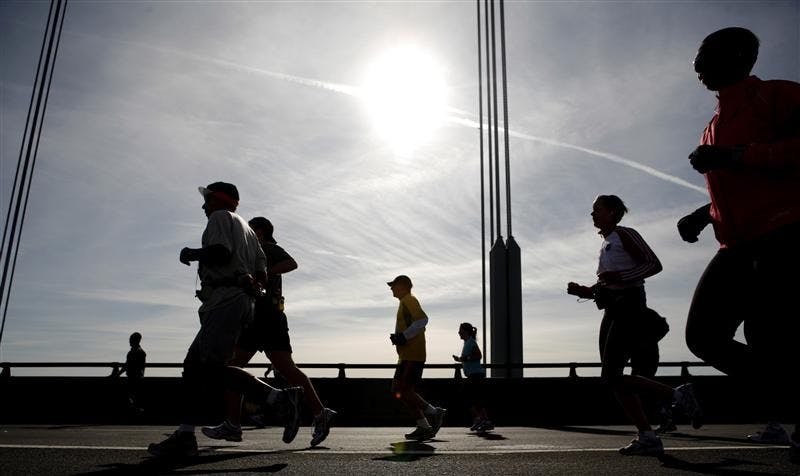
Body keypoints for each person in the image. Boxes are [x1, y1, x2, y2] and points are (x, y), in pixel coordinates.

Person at [678, 27, 800, 462]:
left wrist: (735, 156)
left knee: (768, 336)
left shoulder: (779, 96)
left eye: (705, 53)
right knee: (703, 337)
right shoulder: (713, 125)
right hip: (735, 244)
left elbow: (764, 161)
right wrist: (703, 213)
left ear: (739, 56)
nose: (696, 65)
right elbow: (737, 188)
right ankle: (789, 399)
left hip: (785, 235)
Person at [148, 182, 303, 458]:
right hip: (239, 302)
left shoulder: (220, 218)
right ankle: (185, 434)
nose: (203, 206)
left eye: (206, 200)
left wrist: (192, 253)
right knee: (195, 366)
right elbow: (263, 275)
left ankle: (279, 399)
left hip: (225, 301)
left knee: (208, 368)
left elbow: (220, 252)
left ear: (218, 200)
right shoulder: (248, 231)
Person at [567, 195, 701, 456]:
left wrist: (619, 277)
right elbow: (609, 282)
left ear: (614, 212)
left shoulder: (625, 234)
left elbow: (653, 264)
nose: (592, 214)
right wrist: (587, 291)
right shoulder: (606, 243)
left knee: (612, 375)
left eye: (597, 210)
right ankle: (648, 433)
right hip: (613, 308)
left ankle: (676, 396)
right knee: (612, 378)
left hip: (629, 306)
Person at [202, 217, 337, 447]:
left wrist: (266, 272)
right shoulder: (251, 250)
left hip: (269, 316)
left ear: (260, 231)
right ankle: (233, 424)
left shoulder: (267, 247)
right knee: (234, 368)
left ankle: (318, 412)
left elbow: (291, 263)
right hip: (254, 317)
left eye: (250, 228)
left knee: (281, 369)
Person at [387, 274, 446, 441]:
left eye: (393, 285)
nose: (391, 288)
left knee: (404, 390)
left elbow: (422, 320)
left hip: (413, 354)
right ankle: (424, 425)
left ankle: (434, 414)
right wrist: (400, 338)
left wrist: (403, 336)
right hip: (406, 355)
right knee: (398, 390)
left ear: (403, 286)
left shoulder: (409, 299)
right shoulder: (403, 302)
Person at [452, 323, 492, 433]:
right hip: (474, 375)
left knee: (467, 397)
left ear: (466, 331)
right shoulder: (467, 343)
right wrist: (459, 359)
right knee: (475, 398)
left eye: (460, 330)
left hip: (475, 375)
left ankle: (480, 419)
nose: (459, 332)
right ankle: (483, 420)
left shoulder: (471, 342)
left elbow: (478, 356)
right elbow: (467, 359)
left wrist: (465, 358)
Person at [119, 332, 146, 415]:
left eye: (131, 339)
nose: (129, 341)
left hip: (134, 378)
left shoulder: (134, 352)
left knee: (132, 396)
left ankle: (135, 412)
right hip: (137, 377)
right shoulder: (140, 352)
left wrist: (118, 374)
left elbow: (127, 365)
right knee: (134, 397)